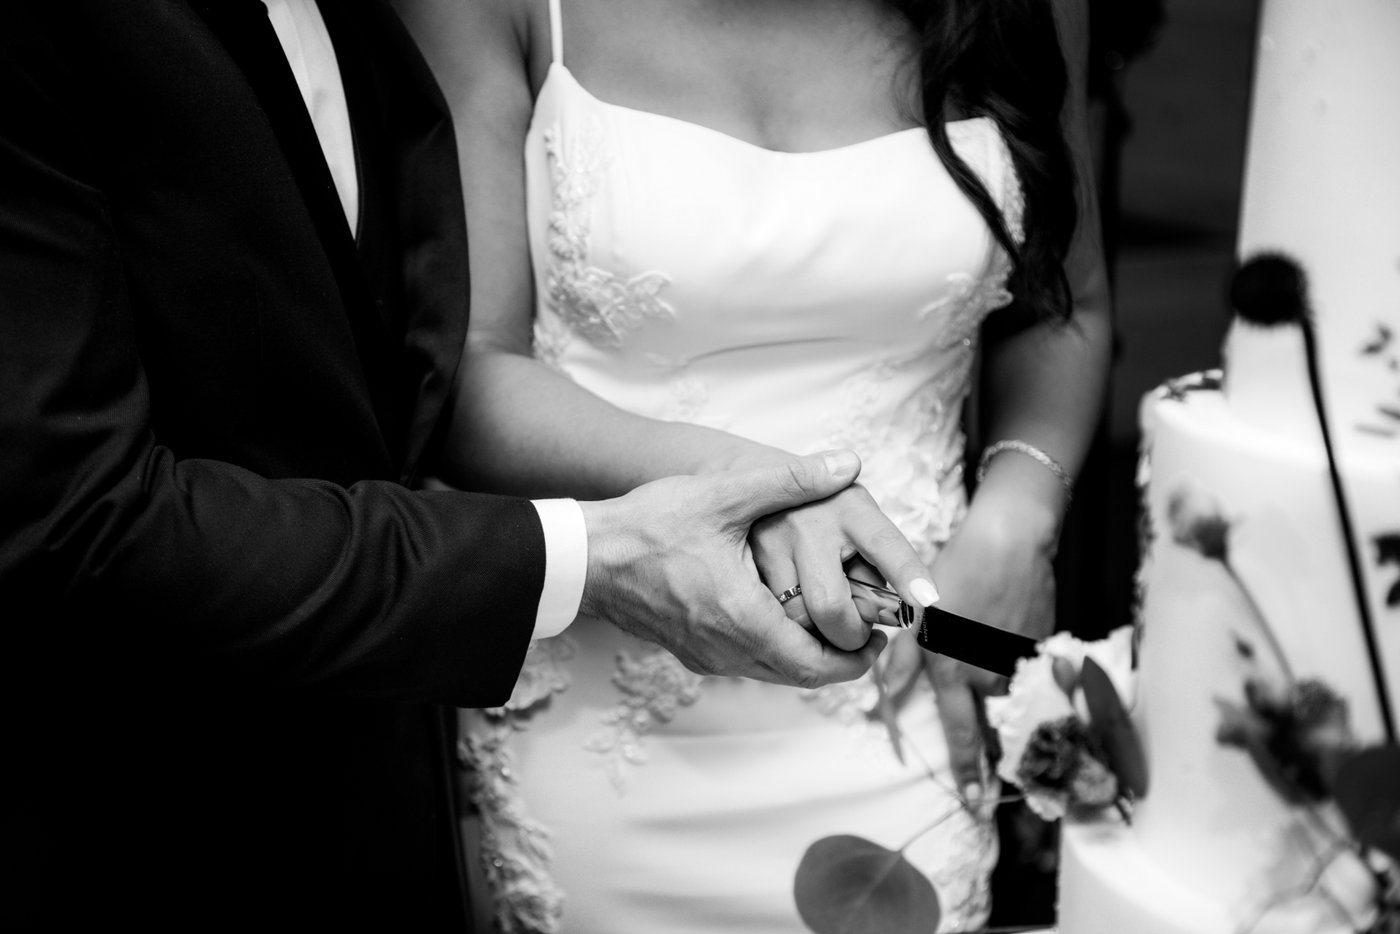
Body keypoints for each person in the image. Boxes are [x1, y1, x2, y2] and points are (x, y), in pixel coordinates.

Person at [0, 2, 941, 929]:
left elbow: (370, 366)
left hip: (380, 764)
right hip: (139, 818)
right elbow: (77, 518)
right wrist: (593, 556)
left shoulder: (355, 17)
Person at [391, 0, 1113, 930]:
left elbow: (1072, 305)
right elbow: (470, 373)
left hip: (899, 694)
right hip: (613, 727)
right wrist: (742, 487)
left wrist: (1019, 517)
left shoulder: (1030, 10)